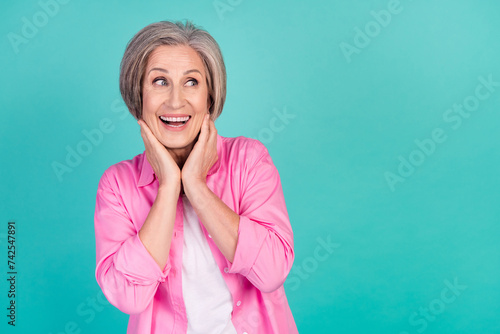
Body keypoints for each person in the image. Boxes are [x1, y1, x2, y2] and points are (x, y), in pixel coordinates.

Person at [94, 20, 297, 334]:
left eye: (191, 82)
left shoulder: (249, 160)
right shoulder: (118, 185)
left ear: (210, 98)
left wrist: (197, 187)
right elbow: (129, 297)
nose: (176, 101)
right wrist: (168, 187)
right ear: (138, 97)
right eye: (160, 81)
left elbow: (271, 273)